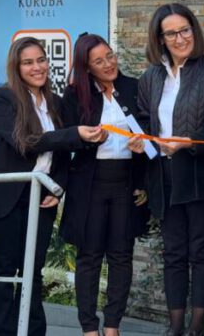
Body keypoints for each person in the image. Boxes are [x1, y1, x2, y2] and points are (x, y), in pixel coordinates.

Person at [0, 37, 105, 336]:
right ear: (16, 67)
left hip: (41, 195)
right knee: (4, 266)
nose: (37, 67)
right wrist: (75, 133)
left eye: (41, 60)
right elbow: (26, 142)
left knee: (33, 269)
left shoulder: (55, 103)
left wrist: (58, 187)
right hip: (2, 195)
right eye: (28, 62)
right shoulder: (1, 98)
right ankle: (0, 333)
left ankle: (32, 331)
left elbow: (63, 153)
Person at [135, 3, 204, 336]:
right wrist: (142, 142)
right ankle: (175, 327)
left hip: (201, 175)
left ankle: (196, 328)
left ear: (194, 29)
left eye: (185, 30)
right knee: (173, 253)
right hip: (164, 176)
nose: (180, 38)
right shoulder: (152, 76)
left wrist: (188, 142)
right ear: (160, 39)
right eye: (171, 33)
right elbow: (145, 121)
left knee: (201, 251)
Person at [60, 33, 149, 336]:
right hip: (90, 184)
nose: (109, 64)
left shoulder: (133, 87)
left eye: (110, 56)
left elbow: (151, 131)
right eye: (99, 61)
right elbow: (66, 139)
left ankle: (113, 327)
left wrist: (143, 153)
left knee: (121, 256)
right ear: (86, 67)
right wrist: (87, 139)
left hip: (126, 181)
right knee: (89, 257)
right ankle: (89, 328)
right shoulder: (75, 95)